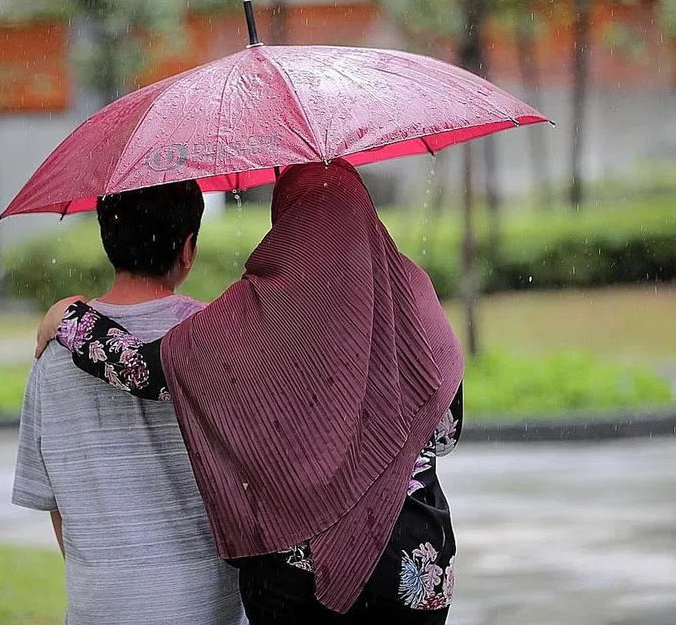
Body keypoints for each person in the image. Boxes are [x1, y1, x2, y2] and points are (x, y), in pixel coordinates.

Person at [37, 160, 465, 624]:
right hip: (415, 558)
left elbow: (146, 369)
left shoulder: (262, 309)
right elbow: (444, 431)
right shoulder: (411, 292)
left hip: (297, 566)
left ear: (286, 224)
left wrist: (71, 320)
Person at [11, 181, 244, 625]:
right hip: (206, 601)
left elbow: (54, 500)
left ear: (107, 240)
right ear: (189, 248)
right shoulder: (216, 340)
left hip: (99, 601)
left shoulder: (55, 350)